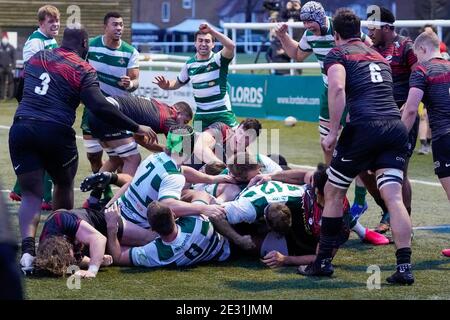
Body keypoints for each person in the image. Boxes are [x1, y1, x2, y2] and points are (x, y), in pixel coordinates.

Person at [9, 26, 156, 271]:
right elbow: (99, 106)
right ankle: (58, 241)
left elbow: (19, 90)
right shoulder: (82, 68)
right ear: (85, 44)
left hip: (22, 127)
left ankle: (27, 253)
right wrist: (136, 126)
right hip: (56, 131)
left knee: (31, 195)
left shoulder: (38, 57)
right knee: (63, 184)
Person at [297, 9, 413, 285]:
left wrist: (333, 132)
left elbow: (336, 89)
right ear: (359, 30)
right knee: (394, 198)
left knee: (333, 190)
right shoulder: (378, 56)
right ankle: (405, 268)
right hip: (394, 127)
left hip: (364, 127)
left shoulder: (337, 53)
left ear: (335, 34)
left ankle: (322, 262)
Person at [275, 1, 370, 218]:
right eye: (305, 22)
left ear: (321, 18)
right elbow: (298, 55)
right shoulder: (309, 34)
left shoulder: (340, 29)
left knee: (358, 149)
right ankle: (335, 196)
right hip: (328, 94)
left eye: (311, 21)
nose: (308, 26)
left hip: (353, 93)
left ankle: (360, 200)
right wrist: (283, 37)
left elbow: (368, 44)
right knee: (327, 145)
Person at [81, 125, 230, 229]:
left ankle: (110, 182)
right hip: (132, 224)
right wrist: (204, 208)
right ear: (189, 149)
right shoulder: (174, 176)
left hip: (118, 210)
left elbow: (131, 184)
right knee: (167, 238)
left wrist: (212, 179)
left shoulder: (156, 157)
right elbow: (170, 205)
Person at [83, 95, 193, 209]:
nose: (183, 125)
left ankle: (92, 200)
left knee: (115, 160)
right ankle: (118, 206)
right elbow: (180, 155)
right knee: (133, 159)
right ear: (177, 111)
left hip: (97, 112)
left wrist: (163, 148)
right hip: (109, 113)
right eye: (184, 121)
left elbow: (139, 139)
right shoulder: (169, 117)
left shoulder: (158, 108)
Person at [366, 6, 418, 233]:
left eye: (373, 27)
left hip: (402, 117)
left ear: (387, 27)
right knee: (365, 168)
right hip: (376, 118)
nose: (369, 31)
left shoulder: (407, 47)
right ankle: (387, 210)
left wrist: (408, 110)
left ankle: (404, 221)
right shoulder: (369, 49)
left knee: (399, 170)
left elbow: (419, 79)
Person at [81, 11, 141, 206]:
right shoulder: (90, 45)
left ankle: (109, 199)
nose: (119, 28)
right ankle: (104, 194)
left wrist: (129, 84)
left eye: (121, 25)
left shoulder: (130, 51)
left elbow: (135, 80)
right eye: (115, 24)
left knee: (121, 158)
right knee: (94, 156)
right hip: (93, 108)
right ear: (105, 27)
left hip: (117, 110)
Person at [401, 31, 450, 258]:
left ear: (421, 50)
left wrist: (397, 136)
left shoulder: (422, 70)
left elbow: (411, 109)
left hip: (444, 137)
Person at [9, 5, 60, 211]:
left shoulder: (50, 40)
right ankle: (45, 197)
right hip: (37, 103)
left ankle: (20, 189)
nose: (56, 25)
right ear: (41, 23)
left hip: (47, 101)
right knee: (47, 148)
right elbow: (36, 73)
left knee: (42, 149)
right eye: (51, 21)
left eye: (57, 21)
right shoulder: (34, 43)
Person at [153, 23, 238, 131]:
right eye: (200, 40)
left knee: (236, 144)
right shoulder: (189, 64)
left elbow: (231, 46)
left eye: (207, 41)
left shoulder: (218, 59)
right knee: (193, 145)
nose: (203, 44)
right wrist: (167, 85)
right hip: (201, 115)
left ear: (213, 44)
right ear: (195, 43)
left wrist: (211, 31)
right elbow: (178, 82)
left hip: (222, 113)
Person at [34, 207, 156, 277]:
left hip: (103, 224)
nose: (72, 262)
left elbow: (99, 239)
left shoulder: (61, 220)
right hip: (89, 244)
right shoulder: (48, 254)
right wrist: (98, 261)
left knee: (149, 239)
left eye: (70, 260)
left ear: (66, 246)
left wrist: (92, 270)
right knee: (119, 258)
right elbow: (72, 260)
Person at [104, 201, 231, 268]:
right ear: (174, 215)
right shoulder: (196, 221)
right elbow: (201, 195)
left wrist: (111, 227)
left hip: (217, 254)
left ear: (152, 228)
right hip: (225, 248)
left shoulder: (155, 252)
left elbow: (118, 258)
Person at [193, 118, 262, 167]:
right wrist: (224, 169)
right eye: (240, 132)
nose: (240, 139)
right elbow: (199, 148)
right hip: (185, 173)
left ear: (252, 141)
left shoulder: (244, 158)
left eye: (246, 137)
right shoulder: (221, 129)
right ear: (237, 129)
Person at [0, 32, 16, 100]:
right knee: (1, 82)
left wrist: (13, 67)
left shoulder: (11, 47)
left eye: (5, 38)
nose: (4, 39)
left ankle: (10, 96)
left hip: (10, 67)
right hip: (1, 67)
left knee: (11, 82)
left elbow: (14, 58)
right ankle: (2, 96)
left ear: (7, 39)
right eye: (3, 38)